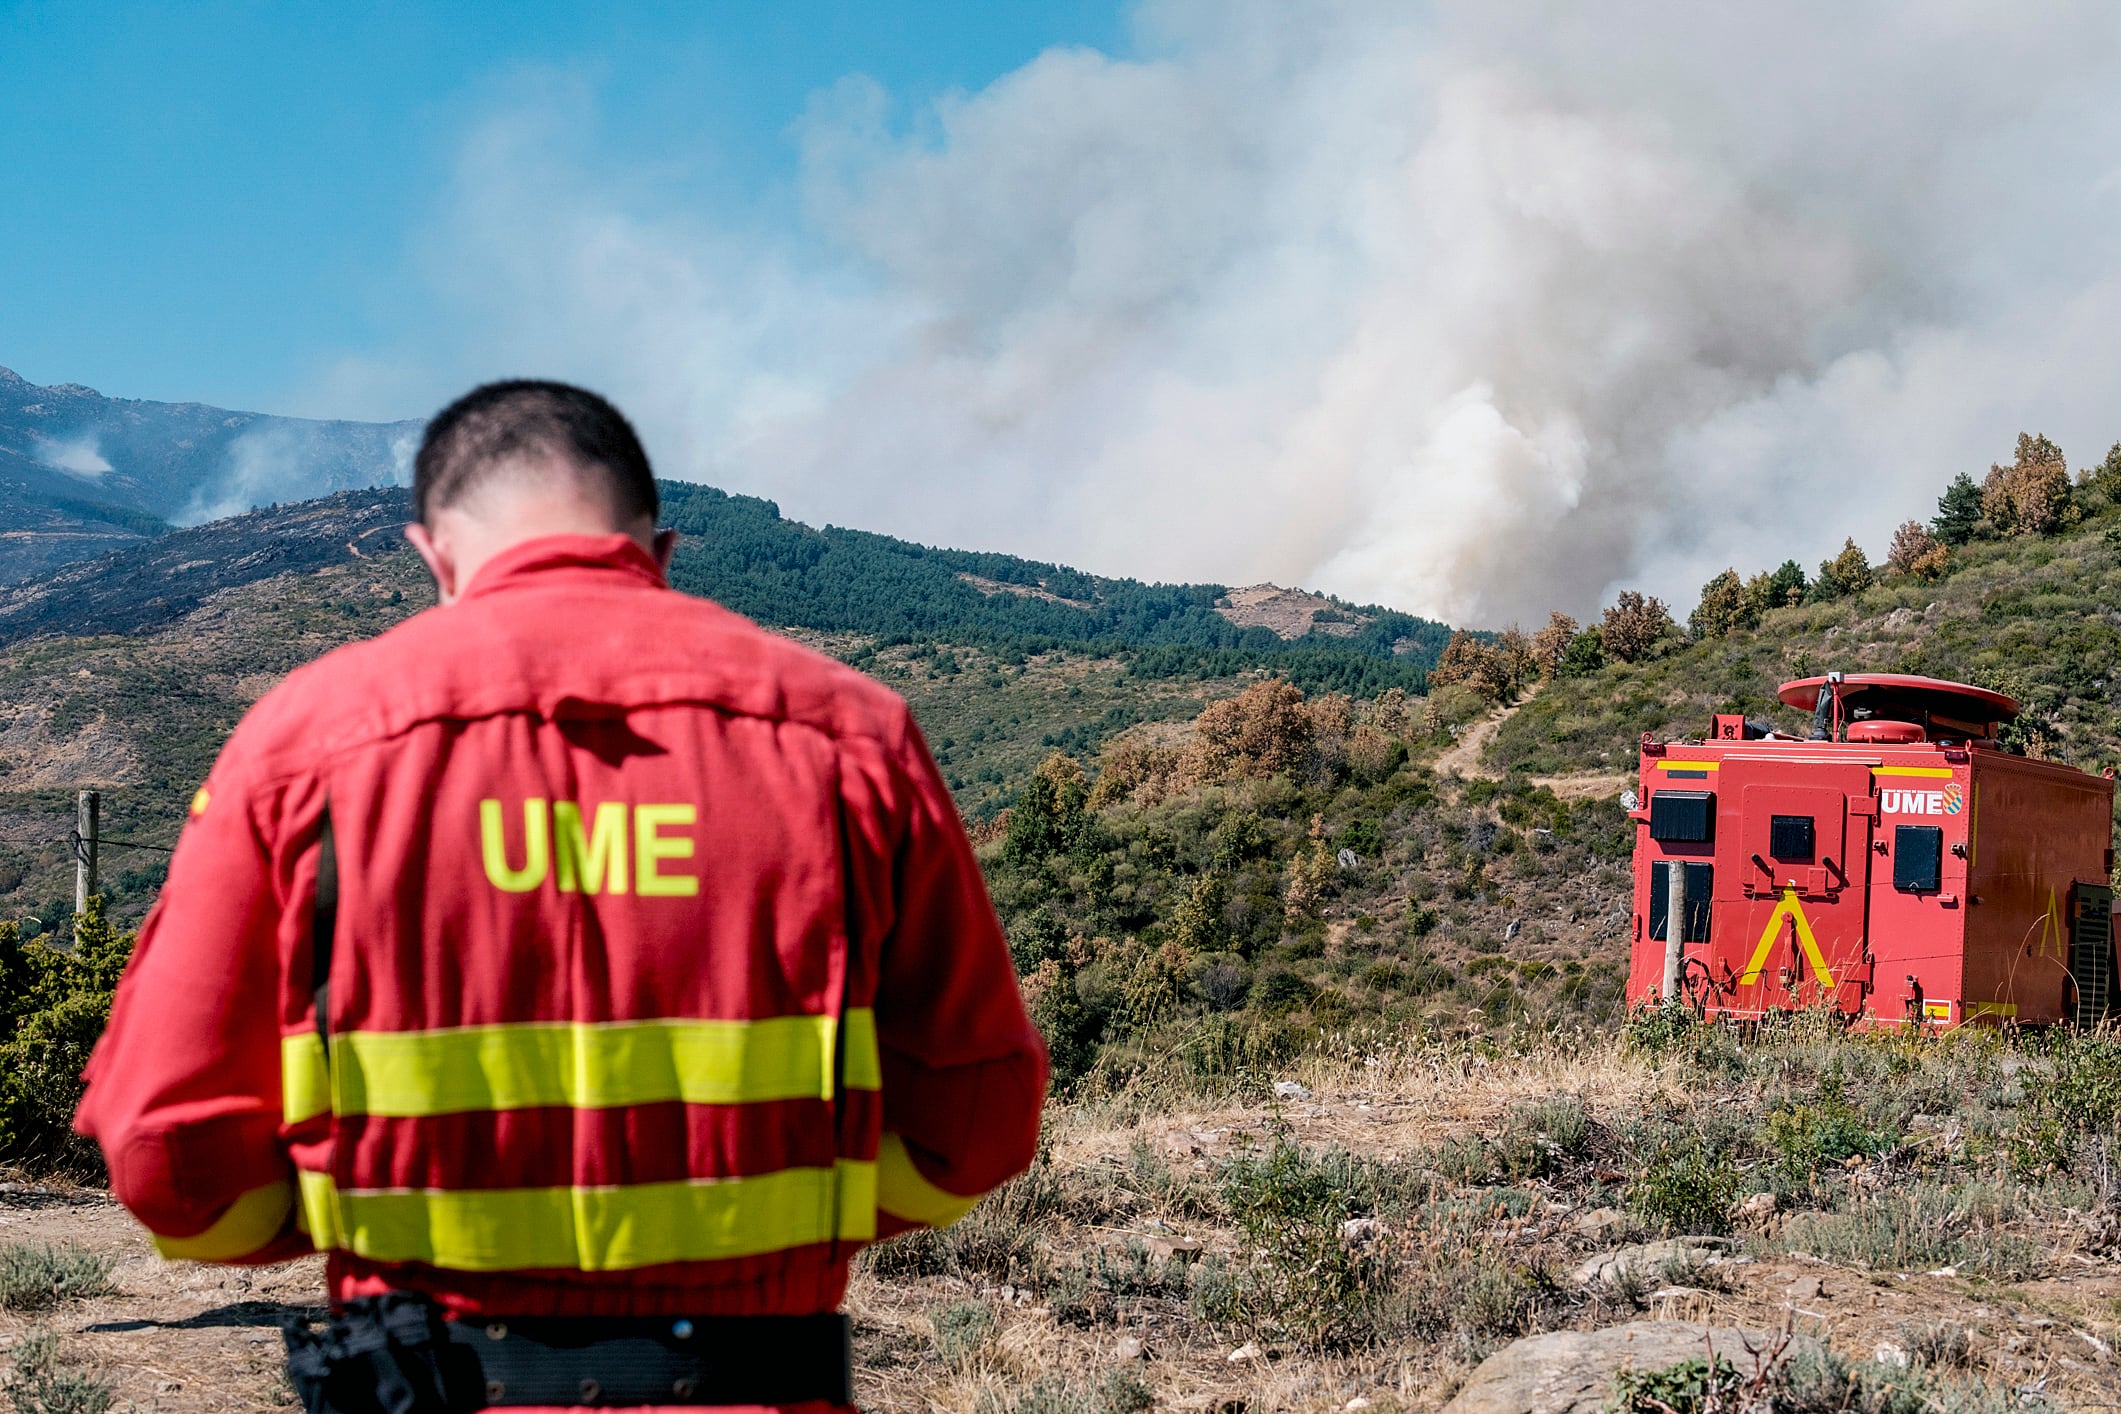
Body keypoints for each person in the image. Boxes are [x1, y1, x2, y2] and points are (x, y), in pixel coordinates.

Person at [73, 380, 1048, 1413]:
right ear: (659, 556)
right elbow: (976, 1122)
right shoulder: (851, 736)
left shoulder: (302, 745)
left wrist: (359, 1213)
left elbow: (169, 1160)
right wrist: (796, 1214)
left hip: (424, 1382)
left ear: (434, 559)